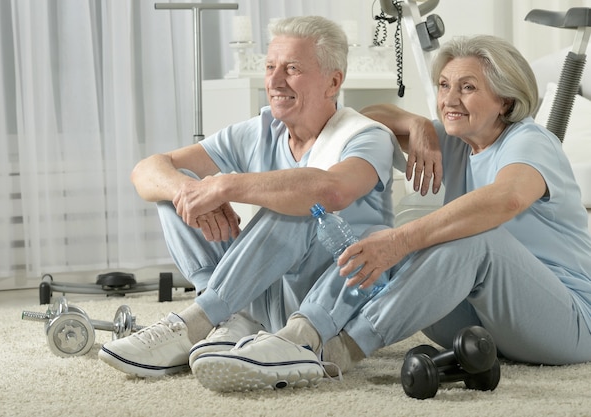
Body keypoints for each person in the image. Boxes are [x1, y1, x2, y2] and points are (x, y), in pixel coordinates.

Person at [190, 34, 591, 393]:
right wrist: (416, 124)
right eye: (443, 86)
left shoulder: (529, 139)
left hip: (567, 320)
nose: (450, 99)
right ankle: (305, 330)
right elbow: (362, 120)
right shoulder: (457, 141)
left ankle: (333, 350)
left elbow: (506, 200)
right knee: (396, 230)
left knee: (448, 235)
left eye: (467, 88)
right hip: (486, 318)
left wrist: (400, 241)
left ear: (505, 100)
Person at [98, 16, 408, 379]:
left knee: (302, 199)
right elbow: (147, 169)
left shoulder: (365, 136)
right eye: (270, 67)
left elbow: (331, 190)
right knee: (178, 187)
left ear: (333, 82)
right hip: (262, 292)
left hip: (327, 307)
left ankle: (195, 323)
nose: (275, 82)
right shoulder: (263, 129)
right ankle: (224, 320)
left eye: (292, 69)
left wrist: (225, 186)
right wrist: (188, 191)